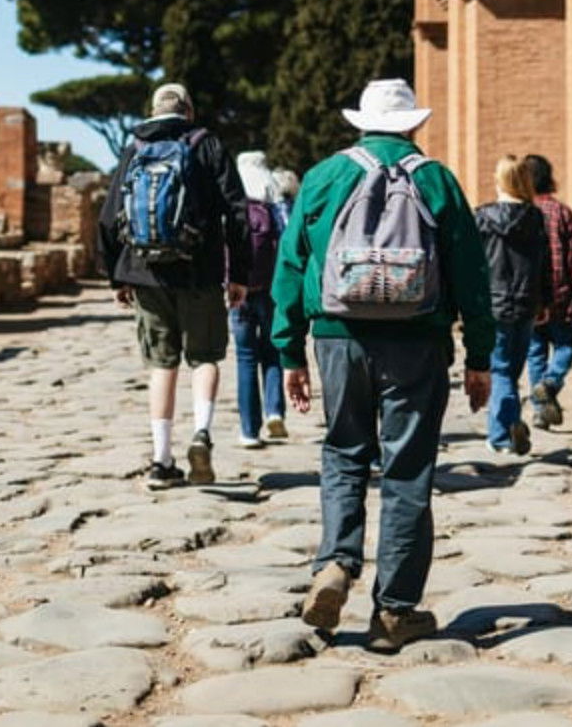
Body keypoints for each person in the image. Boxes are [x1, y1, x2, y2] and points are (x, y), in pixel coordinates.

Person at [271, 78, 493, 652]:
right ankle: (394, 611)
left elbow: (291, 266)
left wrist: (289, 349)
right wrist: (481, 357)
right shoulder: (436, 178)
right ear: (414, 124)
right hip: (417, 342)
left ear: (362, 122)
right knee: (408, 470)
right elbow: (471, 273)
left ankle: (335, 564)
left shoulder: (324, 176)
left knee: (344, 453)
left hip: (338, 338)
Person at [98, 83, 250, 489]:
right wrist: (239, 274)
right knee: (204, 358)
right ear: (190, 110)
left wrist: (117, 275)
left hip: (146, 273)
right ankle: (201, 432)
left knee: (161, 364)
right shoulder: (206, 145)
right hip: (199, 271)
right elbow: (238, 212)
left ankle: (162, 460)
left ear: (152, 111)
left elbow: (109, 217)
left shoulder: (134, 148)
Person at [474, 155, 548, 455]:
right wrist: (546, 300)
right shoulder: (536, 218)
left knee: (500, 370)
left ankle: (504, 433)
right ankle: (505, 429)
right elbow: (545, 263)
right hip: (528, 302)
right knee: (512, 371)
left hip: (494, 303)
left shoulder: (482, 217)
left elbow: (474, 264)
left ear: (500, 180)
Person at [523, 154, 572, 430]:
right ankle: (550, 384)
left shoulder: (523, 213)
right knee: (566, 346)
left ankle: (541, 412)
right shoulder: (562, 213)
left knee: (535, 353)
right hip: (561, 297)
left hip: (530, 299)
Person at [232, 151, 287, 447]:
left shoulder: (232, 200)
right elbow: (289, 239)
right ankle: (275, 411)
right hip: (270, 288)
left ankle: (248, 431)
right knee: (272, 351)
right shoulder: (273, 198)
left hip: (238, 291)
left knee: (245, 357)